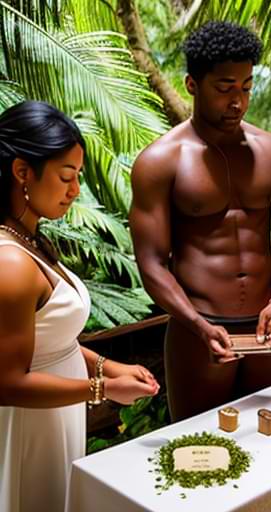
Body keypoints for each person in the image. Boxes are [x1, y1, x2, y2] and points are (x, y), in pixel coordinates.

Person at [130, 21, 271, 422]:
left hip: (266, 328)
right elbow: (152, 262)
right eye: (224, 88)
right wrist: (195, 323)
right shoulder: (161, 162)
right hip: (198, 333)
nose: (238, 102)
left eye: (246, 87)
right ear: (193, 84)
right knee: (198, 451)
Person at [0, 101, 160, 512]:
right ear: (22, 172)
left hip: (57, 414)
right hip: (29, 427)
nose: (75, 191)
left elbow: (54, 341)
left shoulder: (31, 241)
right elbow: (6, 383)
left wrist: (109, 367)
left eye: (78, 178)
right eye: (65, 177)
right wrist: (102, 389)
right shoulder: (11, 263)